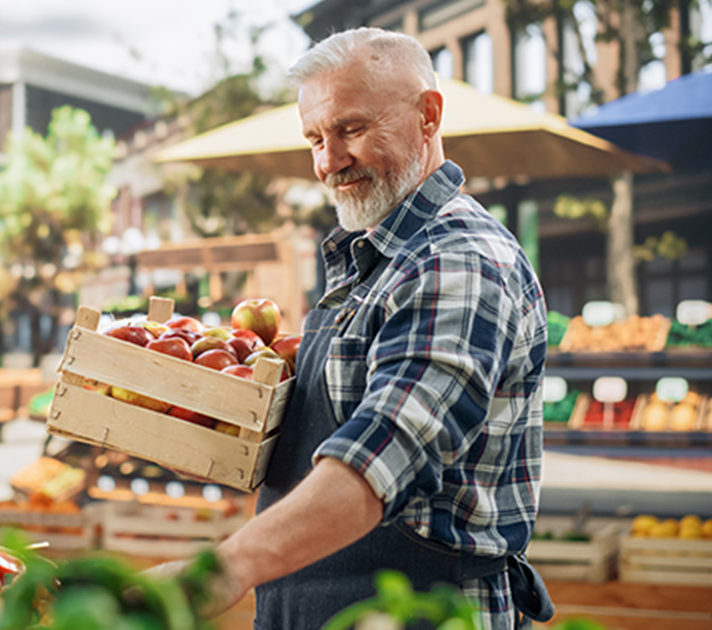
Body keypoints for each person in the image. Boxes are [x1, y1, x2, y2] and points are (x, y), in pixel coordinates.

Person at [156, 28, 553, 629]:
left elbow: (381, 460)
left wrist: (221, 570)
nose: (327, 161)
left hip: (421, 613)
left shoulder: (458, 263)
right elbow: (325, 440)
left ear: (428, 115)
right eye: (315, 138)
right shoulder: (373, 259)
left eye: (351, 130)